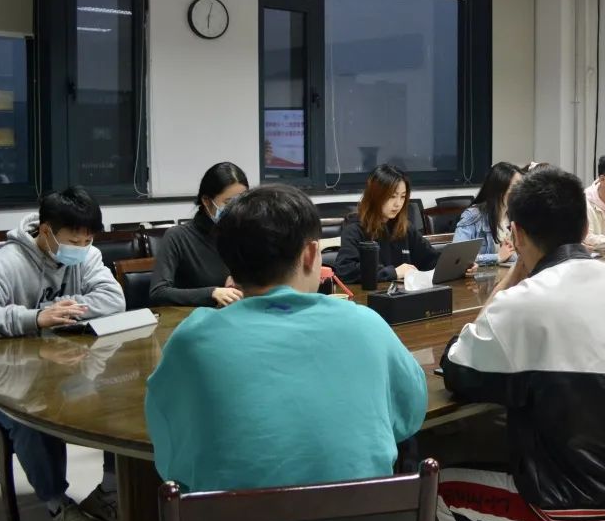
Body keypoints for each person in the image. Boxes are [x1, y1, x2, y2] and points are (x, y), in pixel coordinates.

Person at [437, 168, 605, 521]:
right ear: (585, 228)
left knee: (441, 487)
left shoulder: (524, 303)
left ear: (517, 234)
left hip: (574, 514)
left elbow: (456, 365)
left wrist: (514, 275)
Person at [145, 184, 427, 493]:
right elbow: (410, 414)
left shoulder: (192, 341)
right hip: (364, 519)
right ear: (310, 254)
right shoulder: (366, 325)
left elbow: (170, 452)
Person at [0, 187, 125, 521]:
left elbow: (113, 299)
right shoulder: (4, 264)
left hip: (54, 366)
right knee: (29, 414)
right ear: (46, 231)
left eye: (89, 239)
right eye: (74, 240)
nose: (83, 247)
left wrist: (61, 308)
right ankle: (57, 503)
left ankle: (108, 490)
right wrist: (34, 318)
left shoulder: (86, 255)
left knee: (117, 392)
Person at [149, 162, 248, 307]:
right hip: (194, 316)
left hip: (237, 314)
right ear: (206, 201)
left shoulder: (245, 234)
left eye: (242, 201)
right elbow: (158, 293)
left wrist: (243, 281)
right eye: (229, 202)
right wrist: (211, 293)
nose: (237, 209)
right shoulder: (178, 236)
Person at [334, 165, 439, 284]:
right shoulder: (354, 229)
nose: (398, 203)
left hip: (401, 293)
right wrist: (393, 272)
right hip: (369, 294)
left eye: (403, 196)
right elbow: (345, 270)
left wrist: (454, 265)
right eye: (392, 196)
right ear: (375, 196)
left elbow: (432, 259)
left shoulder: (405, 228)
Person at [452, 161, 523, 266]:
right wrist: (497, 257)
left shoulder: (514, 215)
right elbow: (458, 257)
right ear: (499, 189)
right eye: (515, 187)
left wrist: (513, 251)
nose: (520, 192)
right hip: (481, 276)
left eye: (521, 187)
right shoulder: (474, 215)